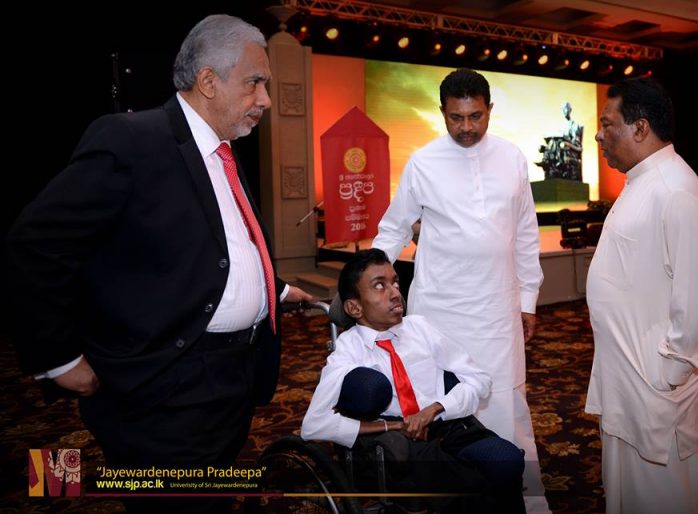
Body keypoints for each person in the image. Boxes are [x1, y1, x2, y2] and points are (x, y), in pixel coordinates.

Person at [6, 14, 311, 513]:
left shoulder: (224, 150)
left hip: (231, 381)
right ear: (208, 81)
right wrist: (58, 358)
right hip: (165, 387)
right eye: (255, 83)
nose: (266, 100)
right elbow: (36, 245)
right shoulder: (131, 139)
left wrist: (271, 289)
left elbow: (218, 247)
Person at [372, 68, 548, 513]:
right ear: (442, 113)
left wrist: (528, 300)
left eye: (475, 116)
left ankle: (523, 504)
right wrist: (366, 280)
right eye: (456, 118)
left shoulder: (512, 158)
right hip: (439, 313)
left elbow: (526, 234)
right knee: (443, 409)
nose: (466, 127)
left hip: (497, 310)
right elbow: (394, 228)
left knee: (506, 405)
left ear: (490, 110)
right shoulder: (423, 162)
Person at [586, 77, 698, 513]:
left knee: (665, 499)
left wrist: (668, 376)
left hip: (656, 390)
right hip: (630, 383)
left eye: (607, 124)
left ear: (640, 128)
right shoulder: (642, 182)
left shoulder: (675, 190)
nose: (599, 135)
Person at [301, 248, 525, 513]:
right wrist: (392, 426)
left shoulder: (420, 328)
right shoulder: (348, 350)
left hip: (446, 425)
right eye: (380, 286)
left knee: (506, 461)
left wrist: (437, 408)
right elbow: (313, 425)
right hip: (400, 440)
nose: (395, 293)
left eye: (395, 282)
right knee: (470, 487)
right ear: (354, 307)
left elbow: (479, 379)